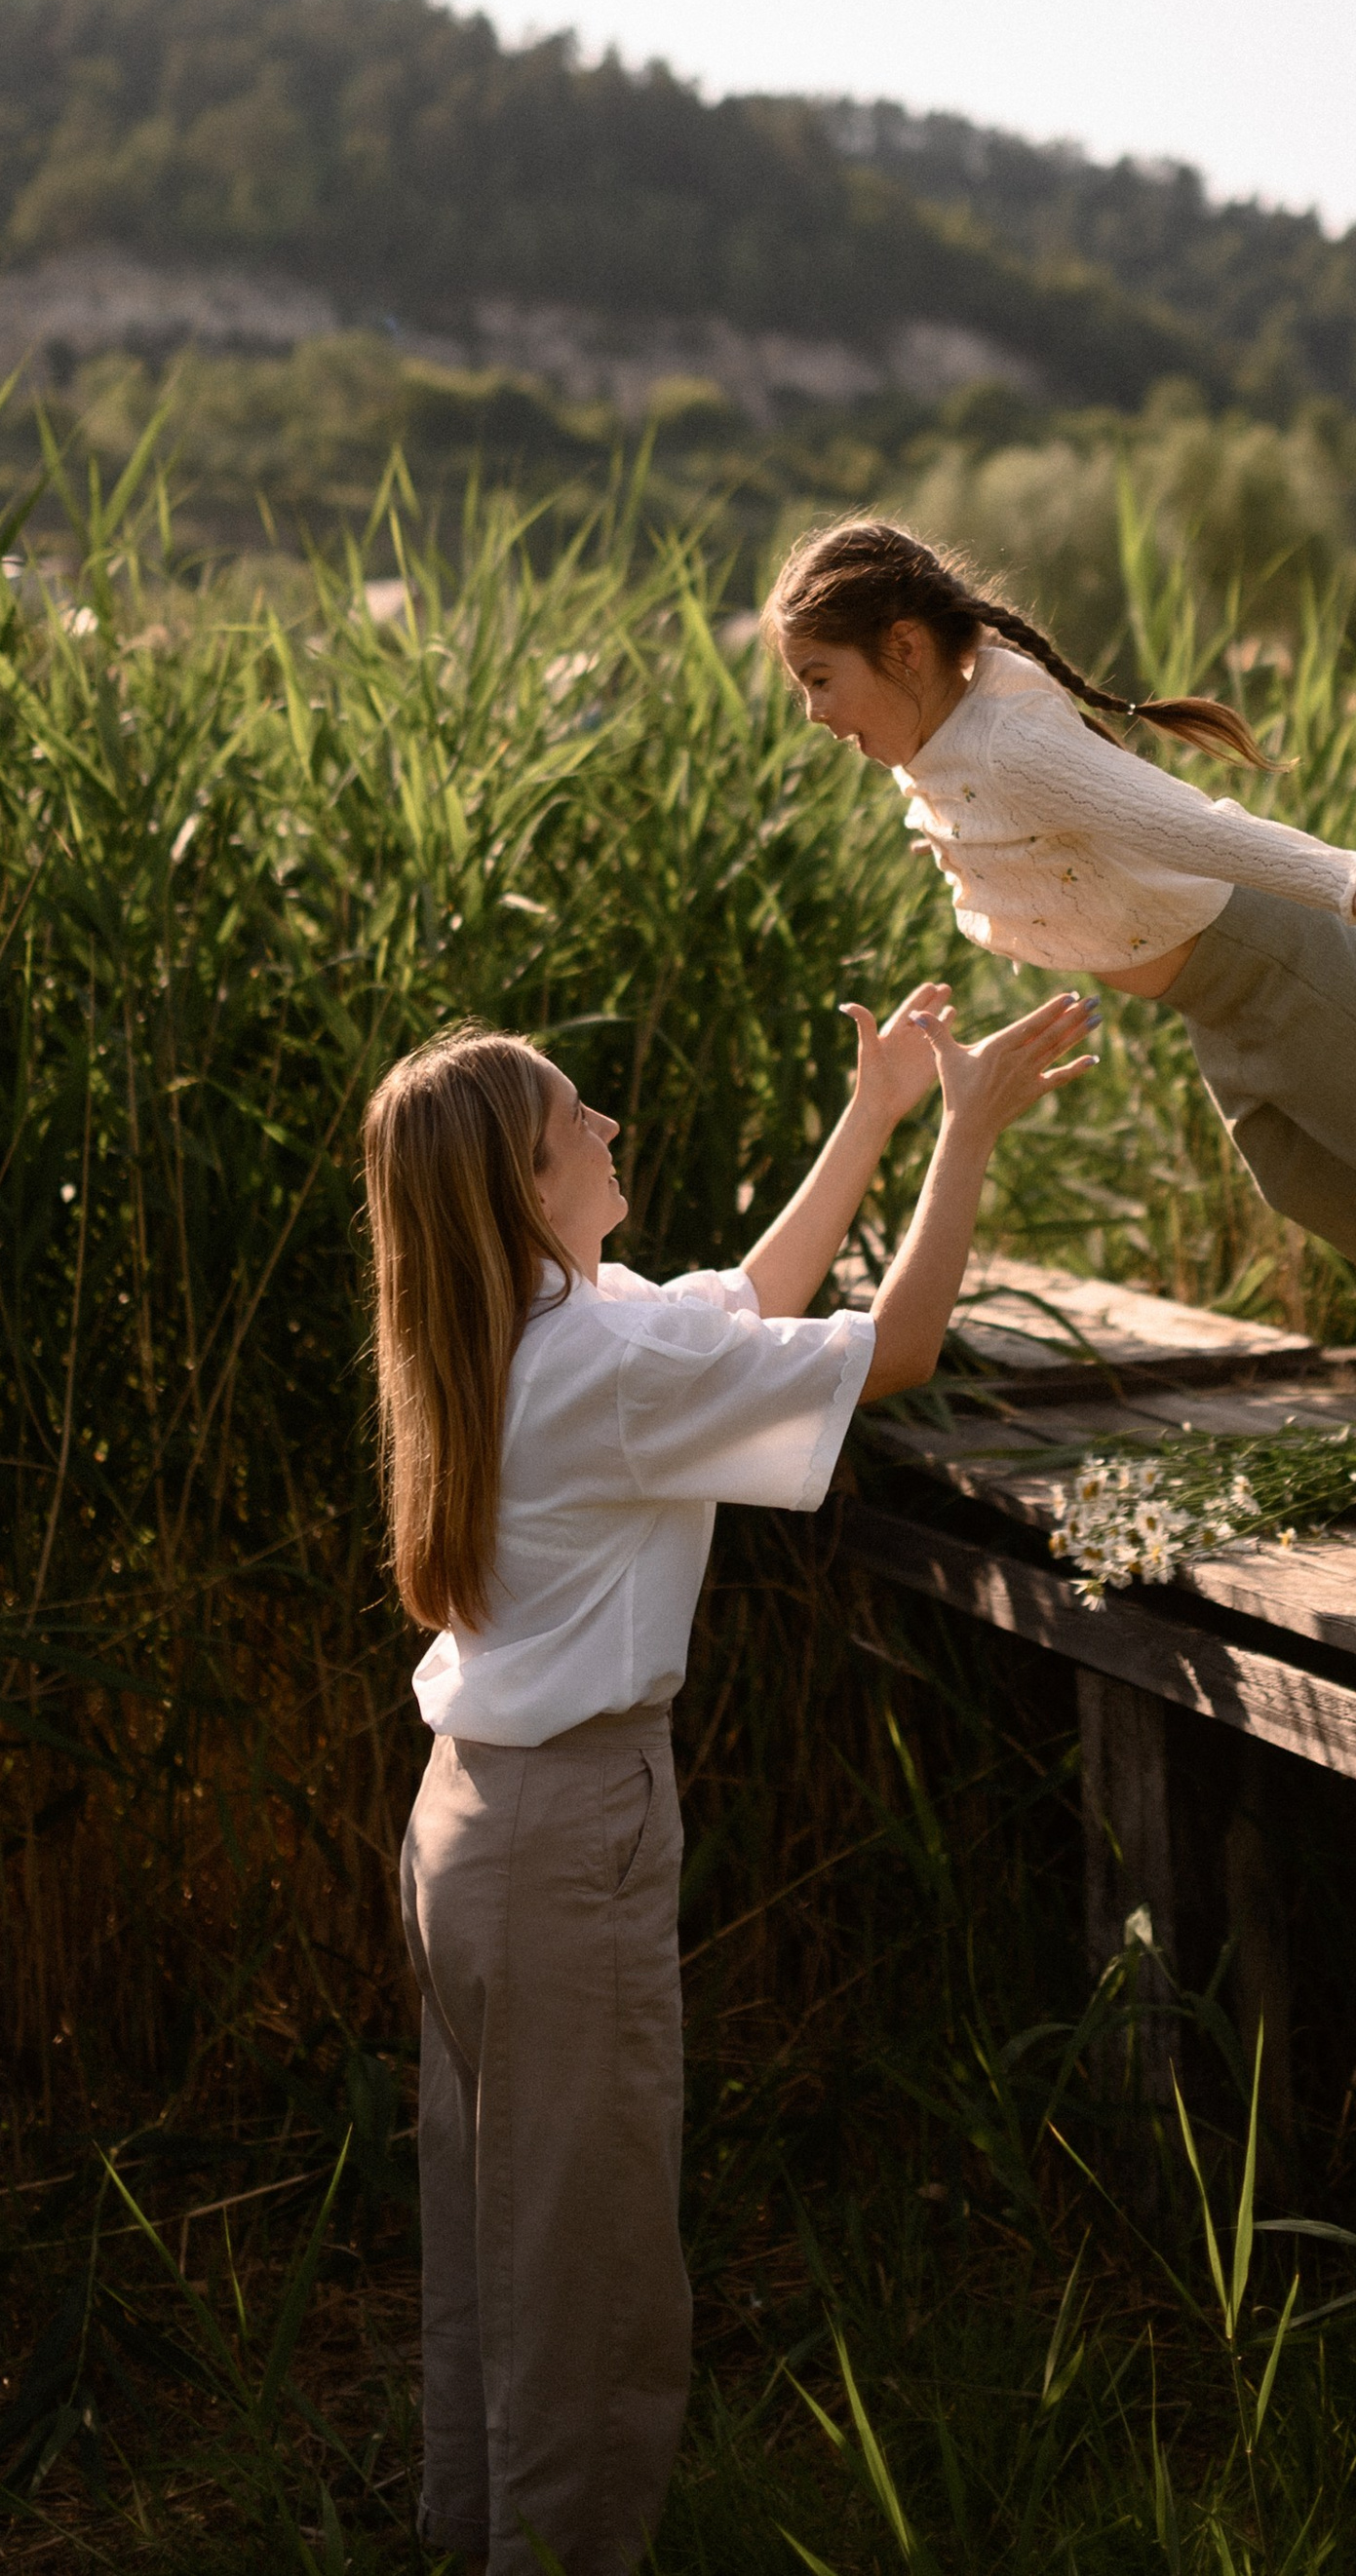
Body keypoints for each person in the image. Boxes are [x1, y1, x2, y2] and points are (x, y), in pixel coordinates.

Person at [368, 975, 1094, 2576]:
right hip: (561, 1831)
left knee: (495, 2232)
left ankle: (473, 2532)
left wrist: (877, 1112)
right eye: (579, 1117)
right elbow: (892, 1345)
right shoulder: (597, 1357)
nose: (609, 1123)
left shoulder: (528, 1330)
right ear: (524, 1180)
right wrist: (970, 1129)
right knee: (587, 2261)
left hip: (469, 1817)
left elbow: (748, 1304)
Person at [763, 518, 1356, 1438]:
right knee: (1312, 1183)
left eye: (819, 677)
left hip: (1270, 954)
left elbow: (1180, 822)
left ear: (905, 649)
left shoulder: (1009, 741)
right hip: (1216, 998)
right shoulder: (936, 738)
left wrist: (1345, 886)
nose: (813, 710)